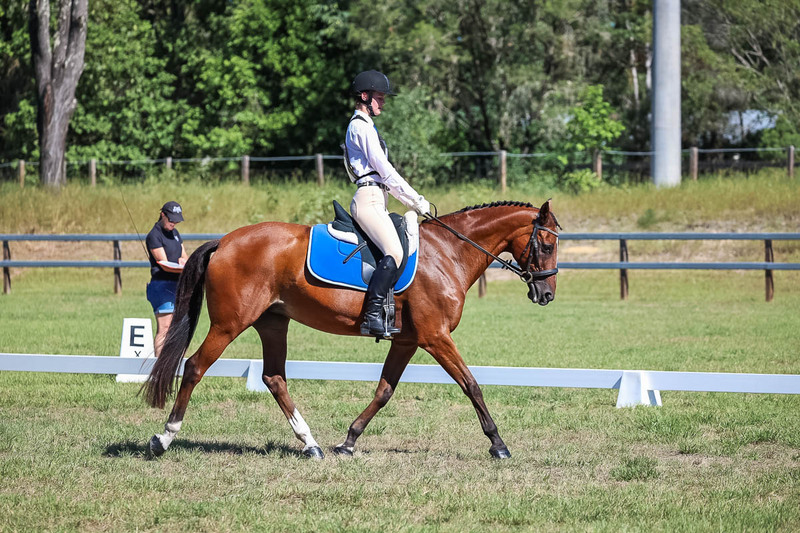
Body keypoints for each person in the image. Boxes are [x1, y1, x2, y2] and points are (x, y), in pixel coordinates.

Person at [344, 70, 431, 338]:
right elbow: (385, 171)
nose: (382, 103)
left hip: (378, 199)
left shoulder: (368, 126)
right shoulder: (359, 126)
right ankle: (372, 316)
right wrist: (415, 200)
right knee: (394, 250)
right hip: (369, 198)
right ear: (364, 96)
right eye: (379, 98)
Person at [145, 201, 188, 357]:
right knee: (164, 328)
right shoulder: (154, 235)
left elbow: (184, 256)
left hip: (178, 285)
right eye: (171, 220)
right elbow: (164, 264)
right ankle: (159, 369)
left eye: (176, 220)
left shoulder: (175, 234)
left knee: (179, 329)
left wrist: (185, 262)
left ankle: (177, 366)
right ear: (163, 215)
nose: (174, 223)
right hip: (162, 286)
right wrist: (186, 267)